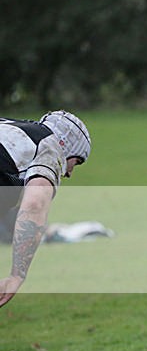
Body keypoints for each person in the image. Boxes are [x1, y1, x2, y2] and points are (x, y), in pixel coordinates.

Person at [0, 111, 92, 308]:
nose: (69, 173)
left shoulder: (10, 129)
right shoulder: (51, 148)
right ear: (68, 145)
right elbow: (35, 205)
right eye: (75, 162)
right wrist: (17, 275)